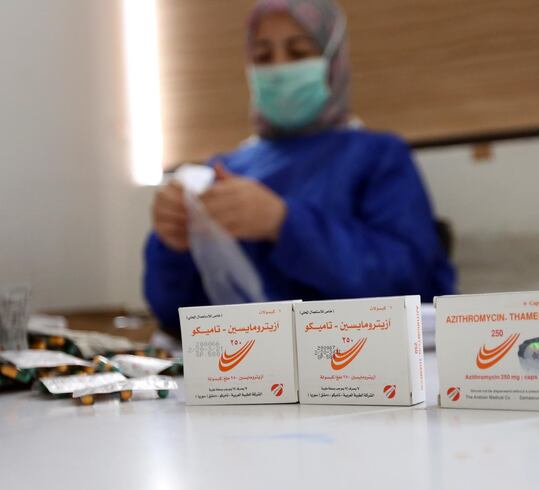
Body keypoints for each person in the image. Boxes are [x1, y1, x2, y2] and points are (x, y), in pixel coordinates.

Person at [144, 0, 456, 336]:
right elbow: (176, 314)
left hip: (361, 370)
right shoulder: (224, 170)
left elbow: (409, 282)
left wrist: (284, 223)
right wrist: (171, 244)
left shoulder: (379, 155)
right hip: (250, 373)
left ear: (332, 60)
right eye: (263, 57)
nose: (279, 68)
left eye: (298, 53)